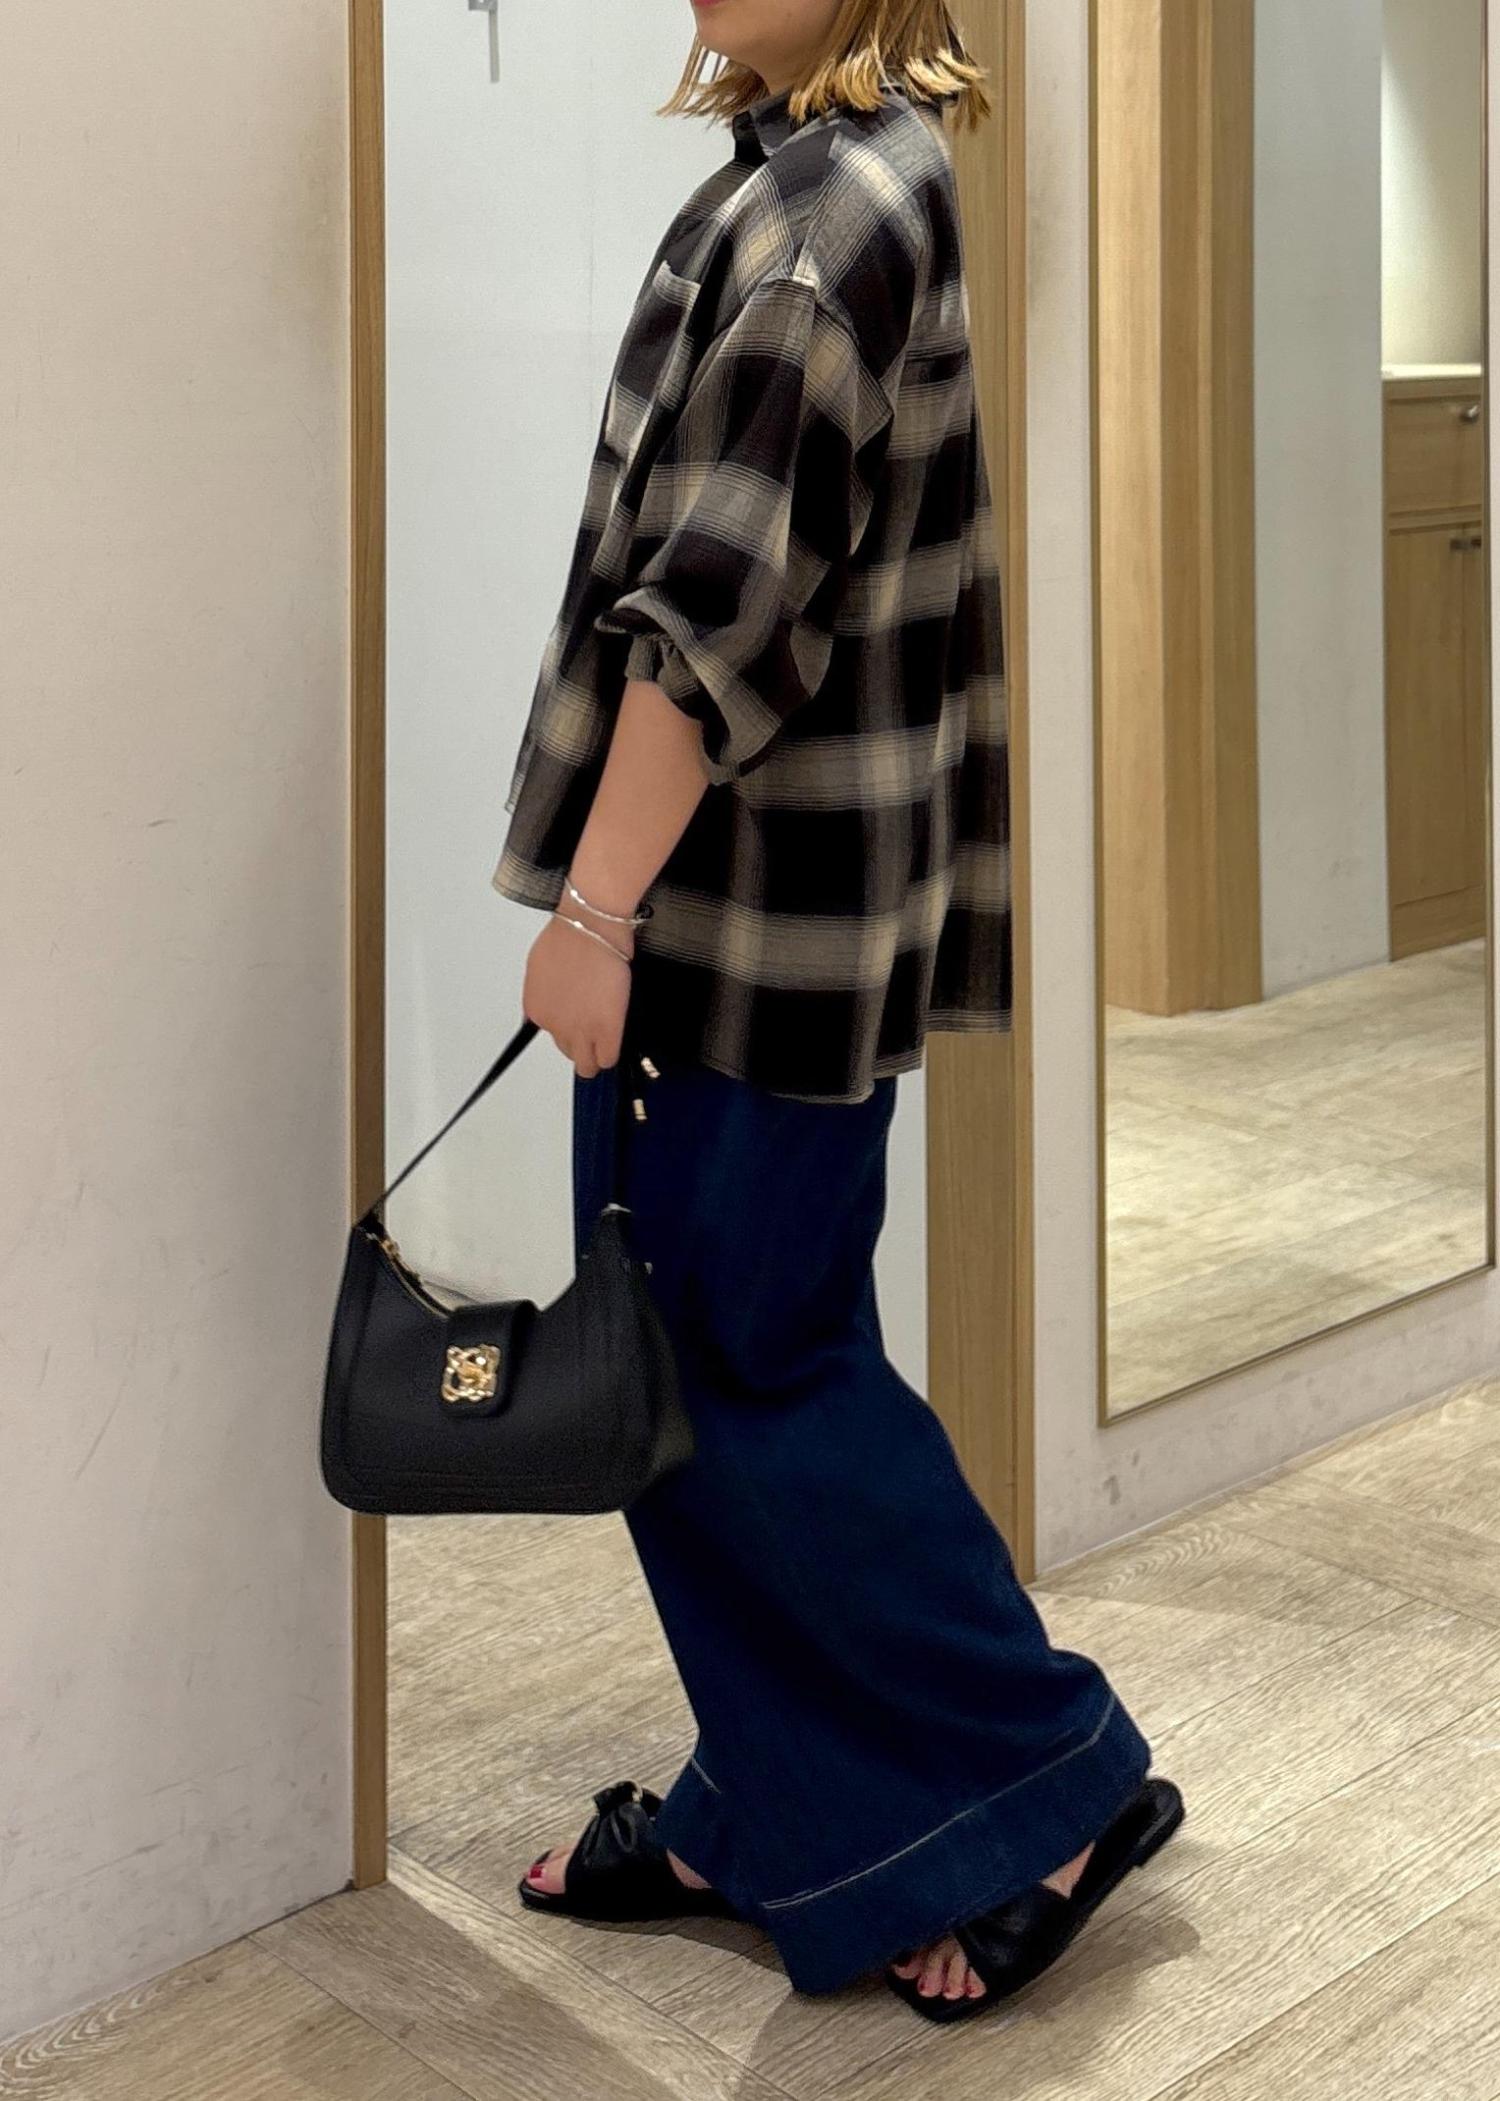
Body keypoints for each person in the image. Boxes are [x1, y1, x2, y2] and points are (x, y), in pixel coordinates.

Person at [490, 0, 1182, 2025]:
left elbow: (716, 622)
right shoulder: (844, 178)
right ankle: (765, 1799)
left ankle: (1052, 1778)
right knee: (720, 1364)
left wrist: (594, 910)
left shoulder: (819, 223)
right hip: (786, 917)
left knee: (745, 1375)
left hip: (742, 928)